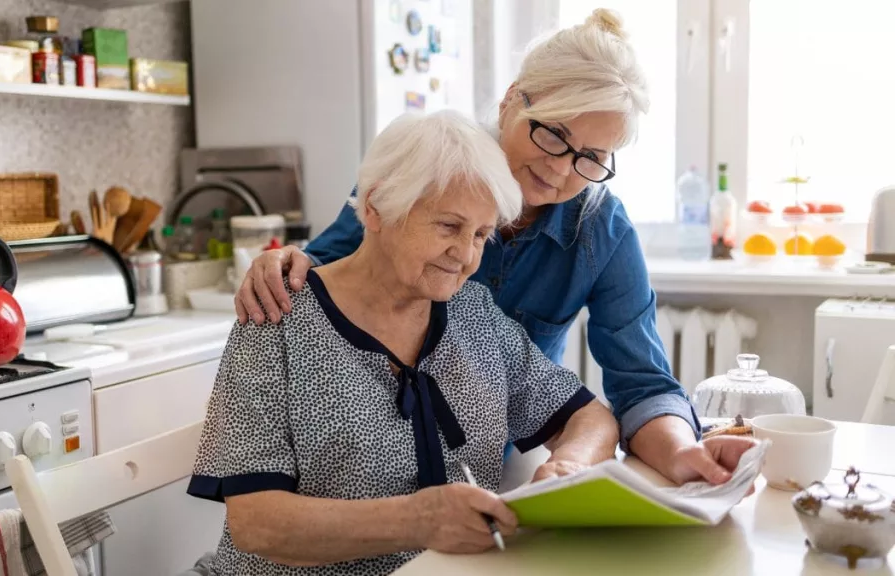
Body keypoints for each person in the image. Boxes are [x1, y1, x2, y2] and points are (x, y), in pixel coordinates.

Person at [232, 9, 757, 487]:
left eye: (590, 156)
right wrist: (282, 262)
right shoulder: (424, 169)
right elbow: (328, 270)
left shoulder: (602, 232)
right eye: (553, 134)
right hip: (366, 469)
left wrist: (683, 452)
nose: (558, 168)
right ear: (512, 100)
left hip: (494, 465)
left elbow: (641, 384)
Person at [186, 109, 619, 575]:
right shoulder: (278, 317)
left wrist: (569, 466)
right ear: (375, 207)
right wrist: (418, 520)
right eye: (449, 227)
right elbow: (257, 523)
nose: (466, 255)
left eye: (481, 234)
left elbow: (588, 417)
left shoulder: (474, 314)